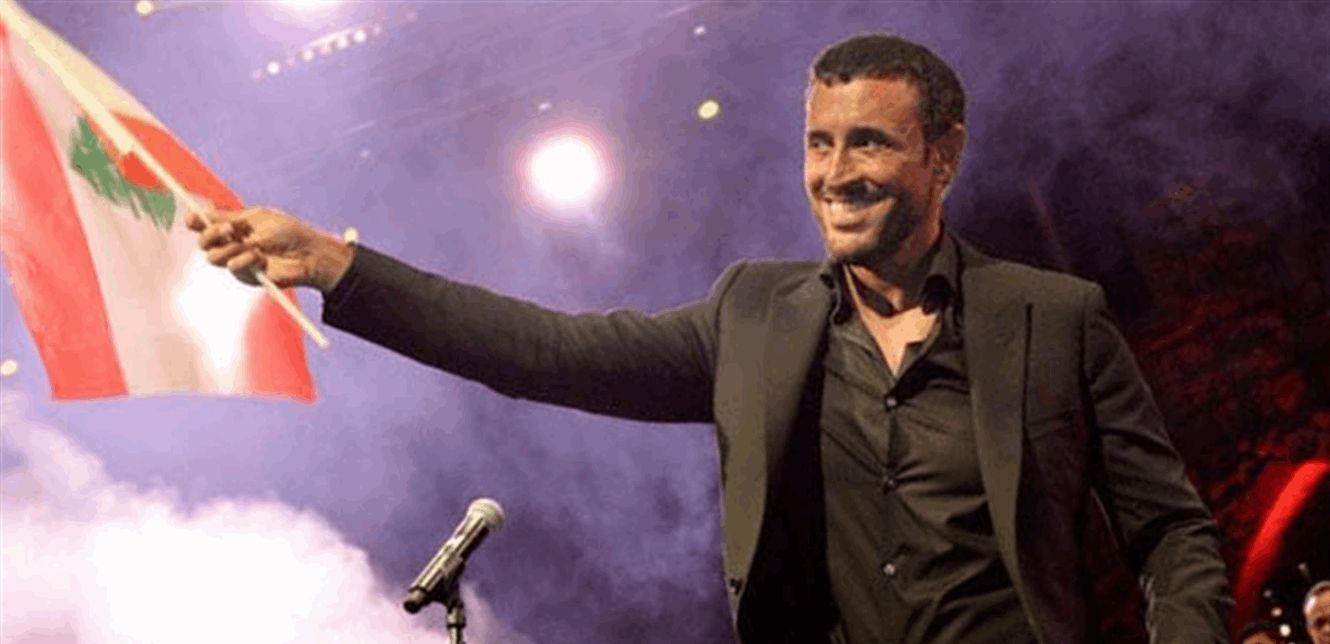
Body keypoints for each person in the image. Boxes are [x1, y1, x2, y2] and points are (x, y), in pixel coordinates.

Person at [187, 34, 1231, 643]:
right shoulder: (752, 316)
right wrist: (339, 266)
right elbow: (540, 350)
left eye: (868, 142)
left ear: (943, 155)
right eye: (818, 143)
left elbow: (1172, 532)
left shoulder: (1052, 316)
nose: (835, 174)